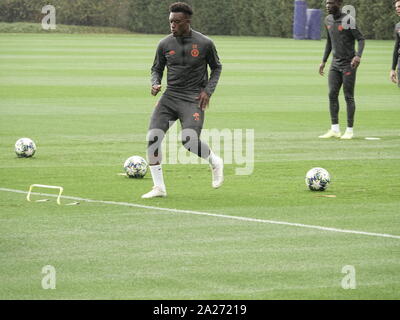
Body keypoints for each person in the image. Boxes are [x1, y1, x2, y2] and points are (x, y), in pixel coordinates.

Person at [142, 2, 223, 199]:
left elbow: (217, 68)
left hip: (192, 98)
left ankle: (214, 161)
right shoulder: (164, 44)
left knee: (189, 141)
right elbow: (156, 69)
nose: (172, 25)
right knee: (153, 138)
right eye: (170, 21)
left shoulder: (205, 43)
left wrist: (208, 91)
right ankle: (159, 188)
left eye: (177, 22)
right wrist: (155, 83)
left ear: (187, 21)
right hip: (170, 97)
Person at [318, 0, 365, 140]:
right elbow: (329, 42)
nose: (327, 5)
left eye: (331, 3)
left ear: (339, 4)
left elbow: (361, 39)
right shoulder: (328, 20)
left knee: (348, 96)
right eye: (326, 3)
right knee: (332, 94)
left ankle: (349, 130)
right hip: (335, 64)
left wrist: (358, 56)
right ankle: (335, 129)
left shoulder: (348, 20)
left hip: (349, 64)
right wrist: (324, 61)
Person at [390, 0, 400, 86]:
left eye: (399, 6)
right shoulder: (398, 26)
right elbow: (396, 47)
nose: (397, 9)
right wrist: (393, 69)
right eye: (396, 7)